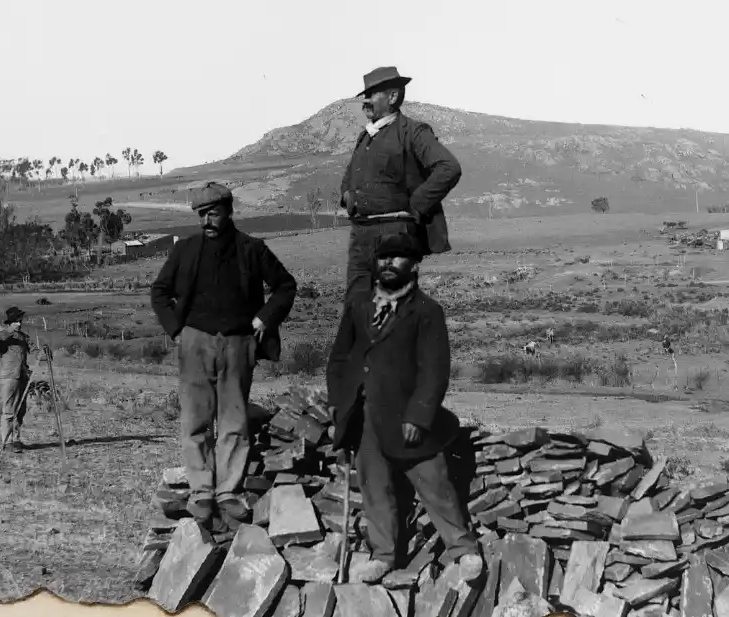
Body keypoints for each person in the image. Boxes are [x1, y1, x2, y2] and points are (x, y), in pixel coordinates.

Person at [326, 232, 484, 584]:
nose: (387, 264)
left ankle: (464, 550)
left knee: (435, 483)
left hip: (407, 418)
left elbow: (435, 370)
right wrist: (340, 403)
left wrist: (419, 415)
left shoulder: (426, 311)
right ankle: (384, 556)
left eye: (397, 258)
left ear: (414, 266)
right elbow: (339, 359)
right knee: (374, 487)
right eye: (383, 258)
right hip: (364, 416)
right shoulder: (360, 306)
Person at [150, 181, 297, 530]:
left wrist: (265, 316)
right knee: (195, 420)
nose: (206, 221)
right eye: (200, 215)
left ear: (229, 211)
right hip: (195, 343)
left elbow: (286, 286)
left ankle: (228, 492)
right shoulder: (185, 250)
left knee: (234, 421)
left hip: (239, 344)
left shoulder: (252, 249)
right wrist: (178, 330)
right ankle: (201, 490)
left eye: (212, 213)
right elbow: (159, 292)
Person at [338, 66, 462, 304]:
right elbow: (350, 175)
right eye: (365, 94)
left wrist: (415, 206)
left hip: (395, 237)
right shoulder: (365, 136)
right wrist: (347, 196)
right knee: (357, 308)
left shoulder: (413, 132)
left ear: (392, 97)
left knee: (393, 309)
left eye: (372, 93)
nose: (365, 100)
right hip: (360, 237)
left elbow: (449, 168)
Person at [0, 306, 36, 453]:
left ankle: (16, 439)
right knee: (9, 409)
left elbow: (34, 349)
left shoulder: (24, 336)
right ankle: (7, 441)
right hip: (10, 376)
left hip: (23, 376)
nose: (21, 322)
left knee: (21, 409)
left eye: (21, 319)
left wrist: (44, 352)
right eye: (18, 319)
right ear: (12, 321)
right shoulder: (2, 335)